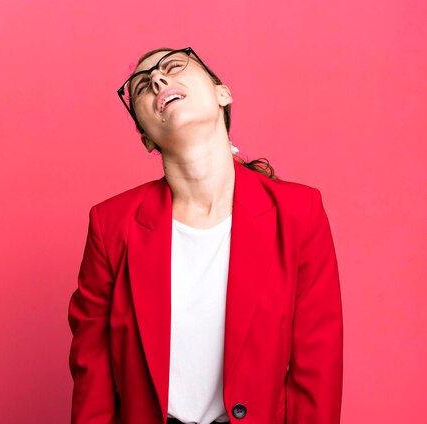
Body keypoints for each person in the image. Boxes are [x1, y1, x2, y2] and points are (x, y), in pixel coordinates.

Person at [67, 46, 343, 424]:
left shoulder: (299, 212)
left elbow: (318, 364)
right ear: (146, 138)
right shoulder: (111, 224)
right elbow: (92, 374)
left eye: (173, 67)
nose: (159, 80)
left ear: (222, 93)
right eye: (143, 86)